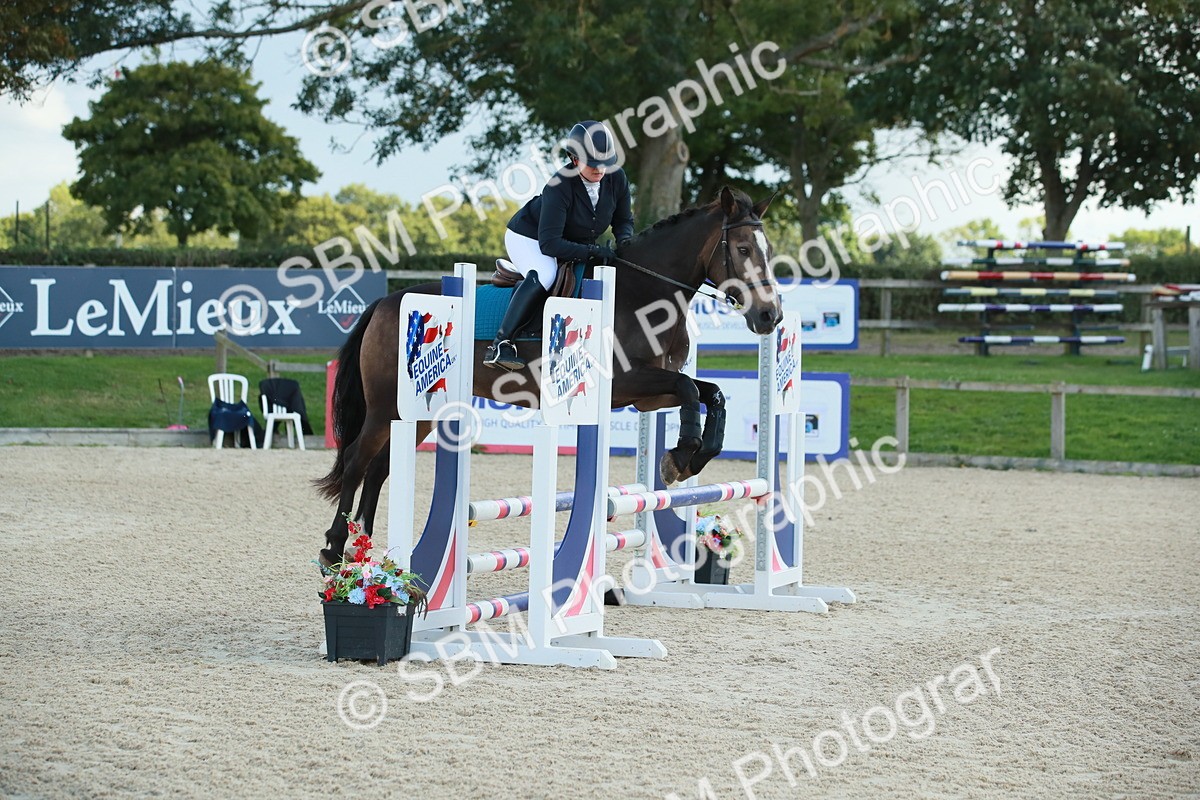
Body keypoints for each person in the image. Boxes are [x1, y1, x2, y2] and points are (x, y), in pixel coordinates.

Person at [484, 120, 635, 371]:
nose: (601, 170)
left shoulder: (617, 178)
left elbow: (623, 220)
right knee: (545, 274)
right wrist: (592, 251)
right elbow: (550, 244)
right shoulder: (559, 186)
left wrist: (626, 243)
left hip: (569, 241)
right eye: (594, 164)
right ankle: (501, 344)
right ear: (574, 159)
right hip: (529, 237)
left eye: (605, 164)